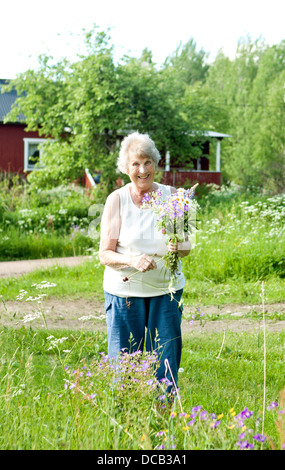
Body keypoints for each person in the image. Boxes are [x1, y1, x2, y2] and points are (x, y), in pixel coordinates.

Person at [99, 131, 191, 395]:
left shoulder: (174, 196)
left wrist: (179, 246)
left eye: (148, 162)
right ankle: (128, 416)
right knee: (125, 363)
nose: (142, 169)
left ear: (156, 164)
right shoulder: (116, 200)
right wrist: (131, 260)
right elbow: (105, 253)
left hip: (166, 291)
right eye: (135, 164)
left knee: (167, 361)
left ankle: (165, 417)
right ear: (126, 169)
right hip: (124, 292)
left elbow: (186, 247)